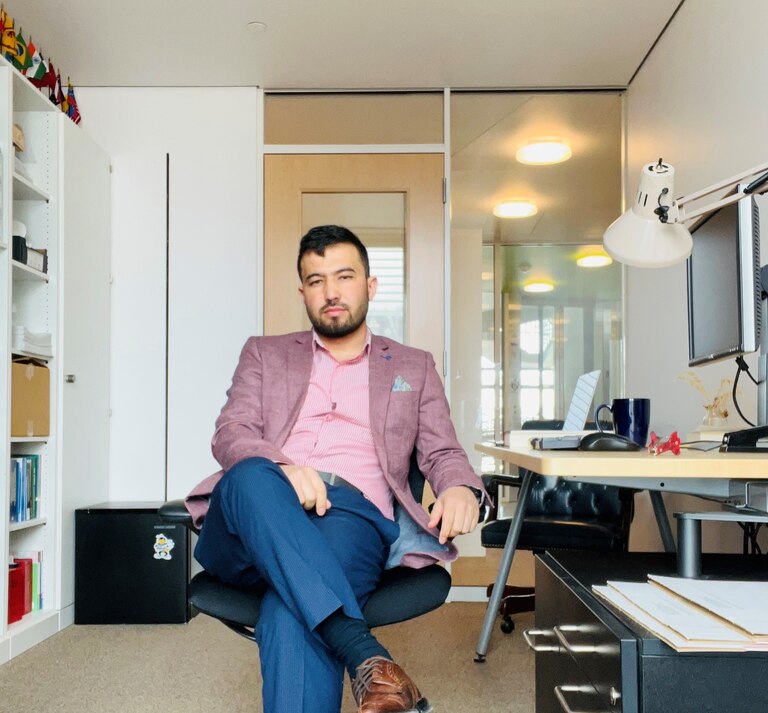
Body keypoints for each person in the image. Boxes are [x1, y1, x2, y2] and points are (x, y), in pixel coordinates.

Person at [186, 225, 486, 713]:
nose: (331, 292)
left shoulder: (413, 366)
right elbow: (231, 432)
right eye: (316, 280)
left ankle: (362, 656)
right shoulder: (264, 353)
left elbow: (443, 451)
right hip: (251, 519)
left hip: (348, 520)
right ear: (302, 291)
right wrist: (284, 468)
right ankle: (363, 651)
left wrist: (459, 487)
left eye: (344, 277)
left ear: (370, 285)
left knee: (289, 611)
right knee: (251, 473)